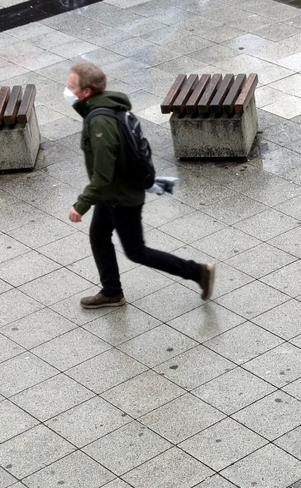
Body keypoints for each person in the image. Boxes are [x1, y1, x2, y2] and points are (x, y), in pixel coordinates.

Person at [65, 61, 214, 308]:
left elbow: (103, 173)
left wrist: (81, 205)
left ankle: (198, 272)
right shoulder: (107, 106)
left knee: (136, 251)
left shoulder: (101, 122)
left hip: (120, 196)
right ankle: (112, 291)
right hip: (112, 192)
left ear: (87, 92)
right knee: (99, 237)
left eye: (71, 85)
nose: (68, 89)